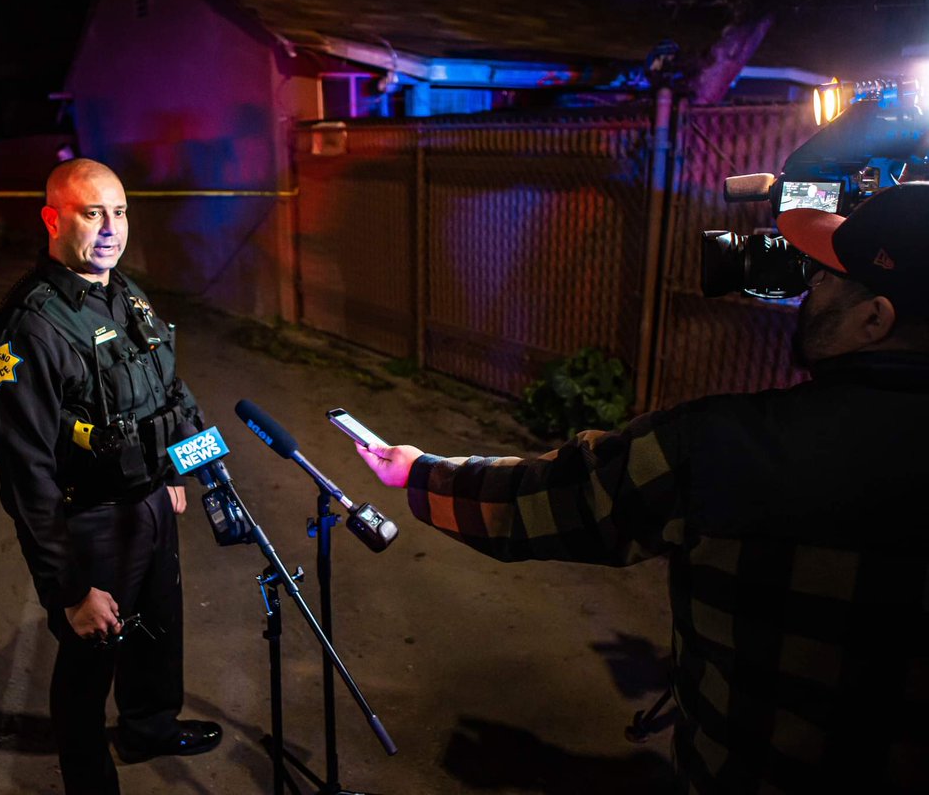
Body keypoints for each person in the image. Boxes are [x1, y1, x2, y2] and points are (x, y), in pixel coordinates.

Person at [355, 181, 929, 793]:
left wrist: (418, 471)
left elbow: (544, 502)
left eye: (827, 280)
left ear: (875, 318)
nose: (806, 289)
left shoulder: (722, 445)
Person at [0, 158, 221, 794]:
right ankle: (90, 781)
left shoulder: (125, 292)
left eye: (119, 212)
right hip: (88, 519)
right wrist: (66, 590)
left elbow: (168, 388)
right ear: (53, 219)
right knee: (90, 657)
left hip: (148, 502)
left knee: (157, 630)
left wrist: (178, 468)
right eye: (93, 213)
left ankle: (149, 727)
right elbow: (25, 475)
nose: (111, 228)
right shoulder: (30, 327)